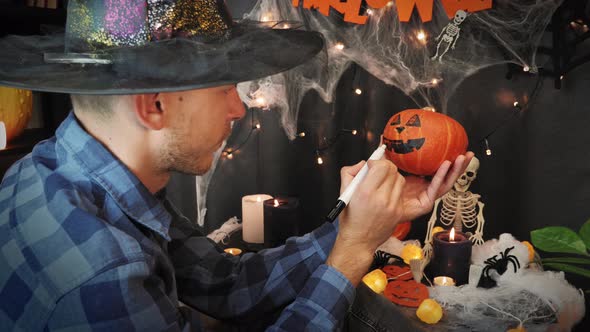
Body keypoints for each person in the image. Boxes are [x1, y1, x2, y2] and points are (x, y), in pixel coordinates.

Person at [0, 1, 473, 330]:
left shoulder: (57, 170)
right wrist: (351, 256)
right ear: (155, 106)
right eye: (224, 87)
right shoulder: (102, 272)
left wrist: (356, 226)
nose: (238, 108)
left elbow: (222, 283)